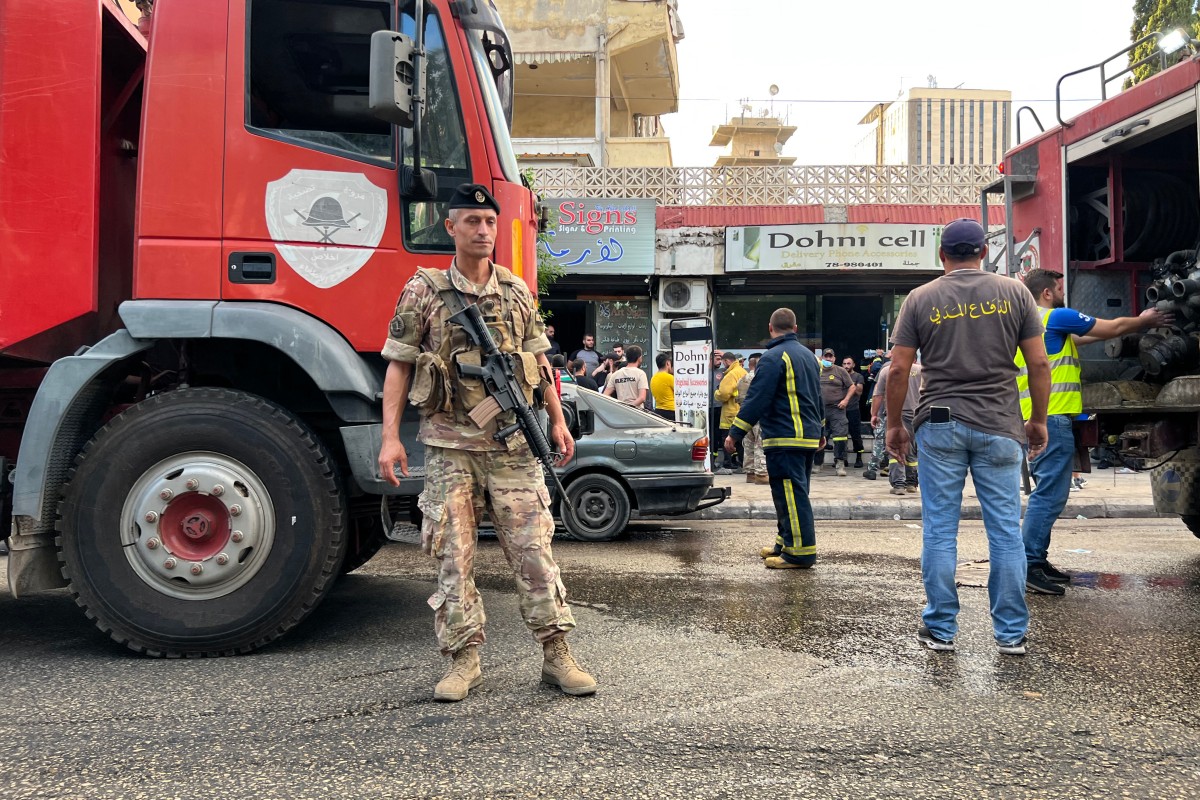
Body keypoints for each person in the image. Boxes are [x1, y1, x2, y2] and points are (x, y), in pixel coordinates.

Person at [377, 183, 596, 700]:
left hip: (514, 447)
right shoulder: (424, 291)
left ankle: (557, 654)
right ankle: (463, 660)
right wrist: (390, 438)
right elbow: (399, 365)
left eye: (489, 222)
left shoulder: (516, 291)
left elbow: (541, 364)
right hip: (451, 449)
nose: (482, 230)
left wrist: (557, 423)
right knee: (454, 557)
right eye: (470, 221)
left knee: (535, 554)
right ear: (450, 228)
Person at [886, 217, 1050, 657]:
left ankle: (941, 629)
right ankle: (1011, 633)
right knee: (1005, 533)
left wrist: (894, 425)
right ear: (982, 253)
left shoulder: (920, 298)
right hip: (1000, 422)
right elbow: (1038, 364)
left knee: (940, 531)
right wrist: (1039, 420)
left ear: (942, 256)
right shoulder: (1015, 292)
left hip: (939, 421)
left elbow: (899, 369)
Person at [1017, 268, 1173, 596]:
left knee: (1050, 493)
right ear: (1047, 293)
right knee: (1050, 495)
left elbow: (1089, 336)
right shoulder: (1055, 316)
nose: (1063, 293)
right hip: (1052, 418)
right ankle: (1029, 564)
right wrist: (1145, 320)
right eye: (1059, 288)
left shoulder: (1031, 324)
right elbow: (1111, 326)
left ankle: (1036, 560)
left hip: (1041, 416)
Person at [725, 308, 823, 568]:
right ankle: (785, 542)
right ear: (795, 326)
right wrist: (821, 431)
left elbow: (757, 399)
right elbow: (817, 398)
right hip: (806, 437)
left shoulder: (772, 358)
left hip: (785, 437)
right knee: (790, 494)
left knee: (791, 495)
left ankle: (799, 554)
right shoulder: (810, 358)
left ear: (770, 328)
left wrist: (735, 432)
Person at [873, 359, 922, 495]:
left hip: (895, 416)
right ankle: (911, 483)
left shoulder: (887, 371)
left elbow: (878, 395)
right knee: (912, 449)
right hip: (916, 415)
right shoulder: (921, 371)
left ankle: (898, 484)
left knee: (895, 449)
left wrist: (874, 415)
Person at [813, 348, 854, 476]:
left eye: (831, 357)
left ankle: (840, 465)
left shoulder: (840, 371)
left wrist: (846, 400)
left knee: (840, 436)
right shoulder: (815, 370)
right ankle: (817, 464)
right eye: (826, 357)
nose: (828, 359)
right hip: (820, 410)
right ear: (822, 358)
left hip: (837, 409)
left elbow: (852, 386)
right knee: (819, 436)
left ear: (834, 359)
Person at [714, 351, 747, 473]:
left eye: (723, 362)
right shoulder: (743, 372)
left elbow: (723, 394)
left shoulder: (730, 375)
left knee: (727, 439)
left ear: (727, 361)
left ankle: (727, 464)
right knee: (741, 441)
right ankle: (744, 464)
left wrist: (716, 393)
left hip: (729, 412)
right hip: (742, 411)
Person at [738, 353, 767, 484]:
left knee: (748, 444)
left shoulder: (742, 379)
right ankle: (761, 474)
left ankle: (750, 473)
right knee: (760, 443)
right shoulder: (760, 378)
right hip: (759, 414)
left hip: (744, 415)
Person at [842, 355, 866, 468]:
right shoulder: (839, 375)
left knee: (856, 435)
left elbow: (859, 391)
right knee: (841, 435)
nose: (846, 366)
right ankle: (842, 458)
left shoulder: (858, 376)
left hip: (853, 409)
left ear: (853, 365)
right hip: (841, 409)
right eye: (844, 364)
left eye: (848, 363)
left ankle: (859, 458)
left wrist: (849, 382)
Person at [650, 353, 676, 421]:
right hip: (671, 411)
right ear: (667, 363)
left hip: (658, 411)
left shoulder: (653, 378)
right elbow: (679, 393)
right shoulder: (670, 378)